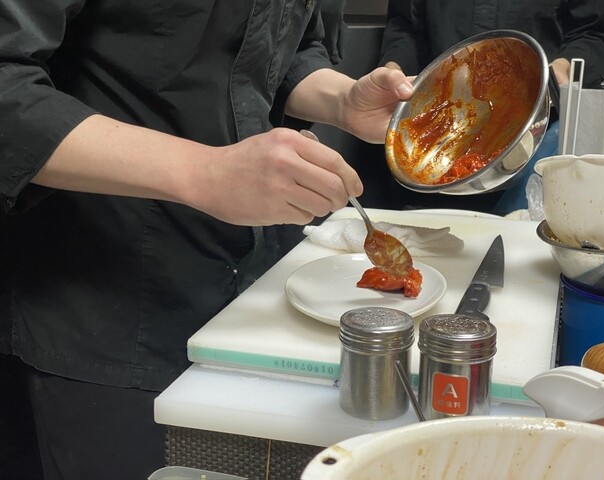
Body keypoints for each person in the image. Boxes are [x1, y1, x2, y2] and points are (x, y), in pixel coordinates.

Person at [0, 2, 414, 479]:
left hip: (253, 294)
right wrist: (205, 172)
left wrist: (341, 100)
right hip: (108, 303)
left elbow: (284, 49)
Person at [375, 0, 604, 214]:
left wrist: (562, 68)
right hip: (434, 145)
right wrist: (393, 70)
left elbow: (601, 32)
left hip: (534, 144)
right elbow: (406, 28)